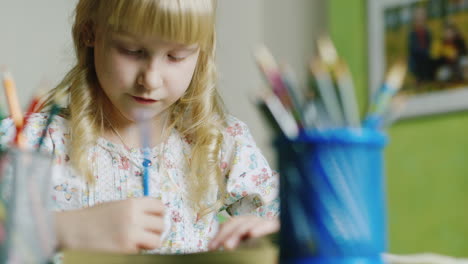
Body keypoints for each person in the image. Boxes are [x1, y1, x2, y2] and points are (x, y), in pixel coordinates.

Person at [0, 0, 279, 255]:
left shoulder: (221, 144)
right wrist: (65, 229)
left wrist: (272, 230)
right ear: (89, 32)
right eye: (132, 51)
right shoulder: (33, 144)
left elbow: (304, 220)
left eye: (176, 56)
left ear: (202, 51)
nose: (151, 80)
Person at [408, 6, 435, 83]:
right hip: (417, 59)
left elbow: (430, 44)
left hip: (426, 56)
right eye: (418, 17)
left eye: (422, 16)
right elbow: (413, 49)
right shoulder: (412, 33)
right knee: (422, 60)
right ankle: (420, 78)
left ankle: (428, 77)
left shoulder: (427, 31)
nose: (420, 20)